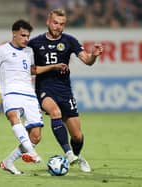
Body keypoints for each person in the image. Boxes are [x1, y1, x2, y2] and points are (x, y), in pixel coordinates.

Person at [0, 19, 67, 175]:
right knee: (13, 116)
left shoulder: (28, 52)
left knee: (36, 137)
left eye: (27, 36)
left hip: (29, 94)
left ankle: (8, 162)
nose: (25, 39)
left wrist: (53, 66)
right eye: (23, 35)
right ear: (14, 34)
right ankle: (32, 153)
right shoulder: (2, 50)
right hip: (10, 91)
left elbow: (32, 69)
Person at [28, 8, 104, 172]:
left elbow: (87, 60)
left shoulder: (70, 41)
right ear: (48, 21)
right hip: (44, 89)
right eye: (55, 23)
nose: (58, 27)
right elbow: (27, 66)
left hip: (65, 91)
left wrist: (94, 55)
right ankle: (68, 153)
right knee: (55, 112)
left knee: (77, 136)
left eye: (62, 24)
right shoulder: (34, 43)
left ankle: (77, 156)